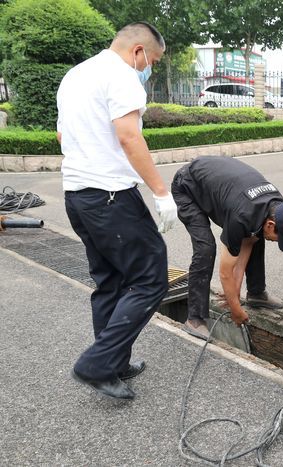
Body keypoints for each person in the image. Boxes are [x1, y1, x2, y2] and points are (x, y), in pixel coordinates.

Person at [57, 22, 177, 400]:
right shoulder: (121, 75)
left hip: (77, 195)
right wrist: (161, 192)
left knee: (110, 280)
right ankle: (96, 364)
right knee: (150, 277)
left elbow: (62, 135)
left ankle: (114, 364)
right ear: (138, 51)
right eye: (152, 61)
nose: (149, 69)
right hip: (110, 195)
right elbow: (129, 136)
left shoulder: (75, 75)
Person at [171, 156, 283, 337]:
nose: (276, 242)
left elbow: (248, 242)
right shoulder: (242, 216)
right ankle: (195, 318)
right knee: (205, 248)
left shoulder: (276, 205)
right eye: (278, 237)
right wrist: (235, 310)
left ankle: (256, 294)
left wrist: (234, 291)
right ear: (271, 225)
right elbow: (225, 272)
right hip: (187, 185)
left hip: (220, 185)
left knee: (257, 235)